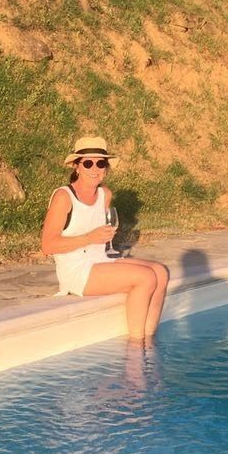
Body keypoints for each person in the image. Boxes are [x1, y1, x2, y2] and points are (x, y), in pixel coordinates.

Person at [41, 135, 170, 344]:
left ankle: (149, 341)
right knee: (145, 278)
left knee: (161, 272)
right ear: (76, 166)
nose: (95, 169)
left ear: (106, 168)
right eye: (88, 163)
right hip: (77, 270)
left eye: (100, 163)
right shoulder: (64, 197)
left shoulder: (105, 194)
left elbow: (101, 235)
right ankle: (136, 350)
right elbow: (48, 245)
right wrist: (89, 238)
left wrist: (105, 237)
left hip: (100, 260)